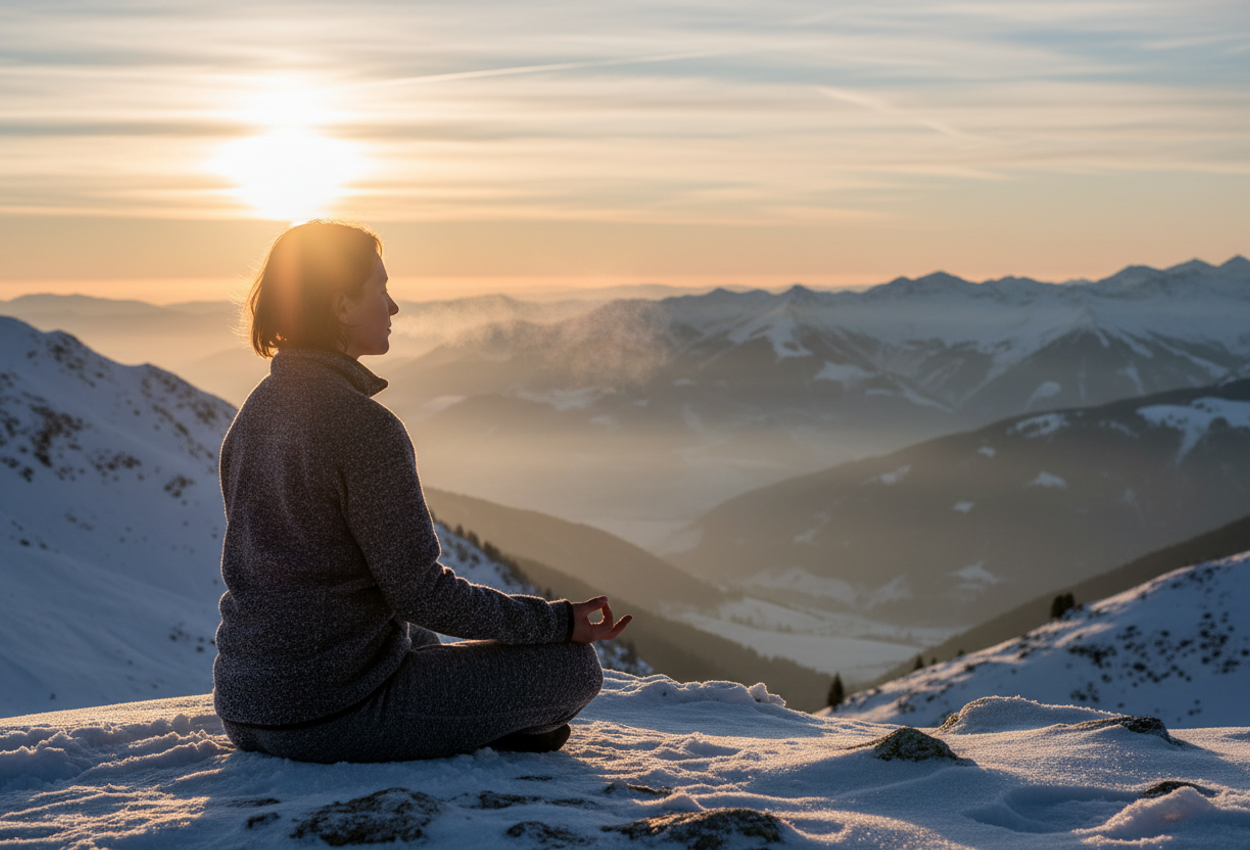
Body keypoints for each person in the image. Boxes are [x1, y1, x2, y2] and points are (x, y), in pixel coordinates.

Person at [212, 220, 630, 763]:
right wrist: (556, 622)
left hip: (248, 705)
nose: (393, 307)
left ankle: (487, 722)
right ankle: (502, 726)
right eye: (380, 289)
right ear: (340, 305)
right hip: (329, 713)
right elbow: (422, 594)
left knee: (417, 642)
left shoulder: (255, 413)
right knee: (571, 668)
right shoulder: (364, 428)